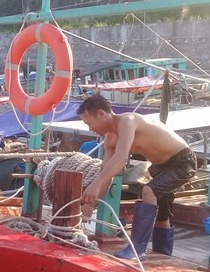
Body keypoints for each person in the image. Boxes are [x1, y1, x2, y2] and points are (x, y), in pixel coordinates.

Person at [77, 94, 196, 260]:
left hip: (182, 160)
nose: (90, 129)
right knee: (162, 215)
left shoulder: (127, 121)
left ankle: (137, 250)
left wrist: (94, 185)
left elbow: (121, 158)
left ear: (101, 114)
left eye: (89, 123)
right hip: (159, 167)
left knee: (149, 191)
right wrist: (91, 203)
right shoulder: (110, 140)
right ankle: (163, 255)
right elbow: (108, 174)